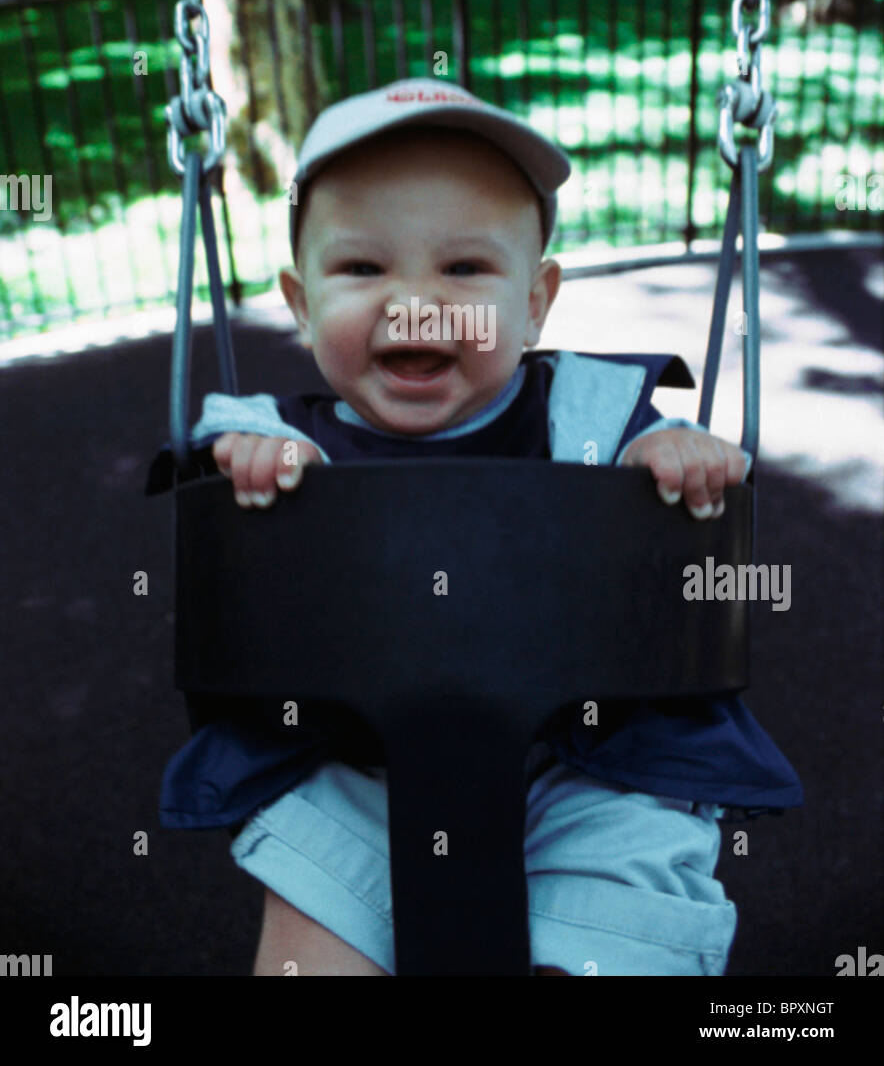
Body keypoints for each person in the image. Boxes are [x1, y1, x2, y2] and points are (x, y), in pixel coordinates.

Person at [147, 78, 802, 976]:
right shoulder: (276, 437)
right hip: (354, 768)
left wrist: (679, 454)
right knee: (312, 928)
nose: (415, 302)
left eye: (463, 270)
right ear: (299, 304)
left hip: (595, 763)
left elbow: (669, 462)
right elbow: (220, 458)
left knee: (631, 918)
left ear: (536, 301)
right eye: (363, 270)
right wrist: (244, 461)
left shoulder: (596, 415)